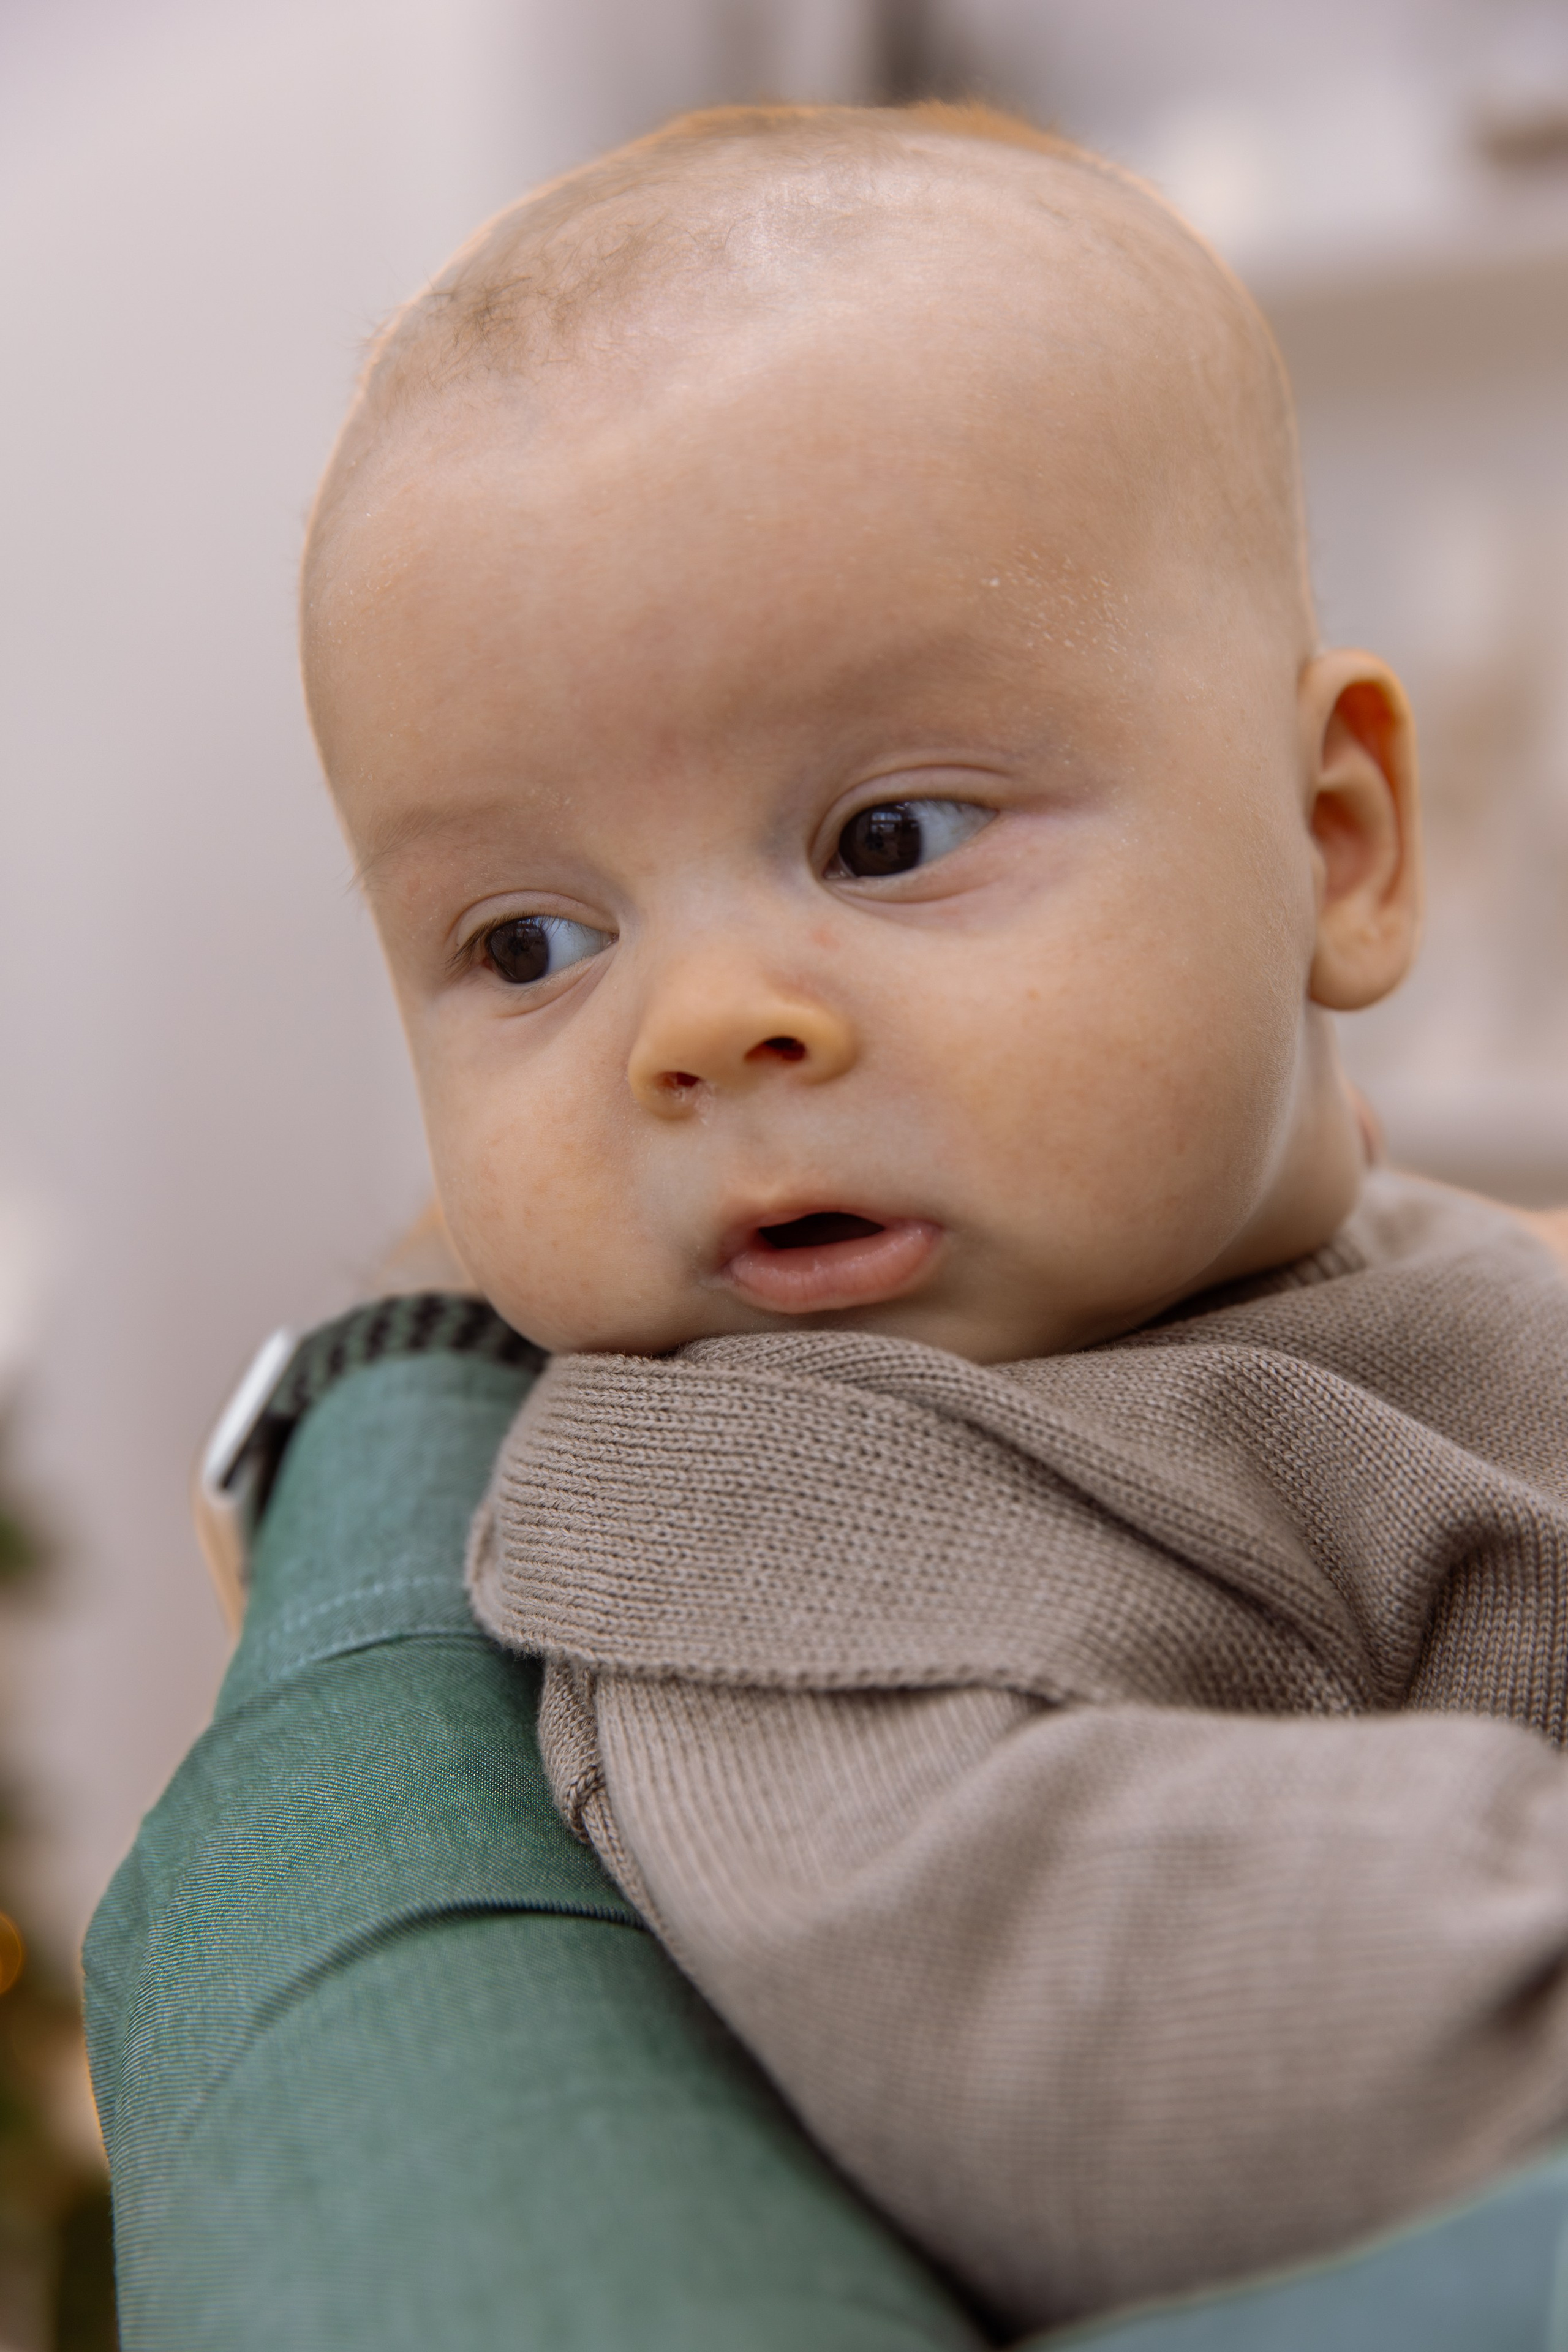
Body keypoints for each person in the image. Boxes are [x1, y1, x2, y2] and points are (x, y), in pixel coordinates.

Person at [97, 96, 1568, 2340]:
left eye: (884, 838)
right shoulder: (751, 1511)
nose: (697, 1028)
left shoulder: (1416, 1275)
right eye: (524, 945)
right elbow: (1134, 2018)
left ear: (1338, 843)